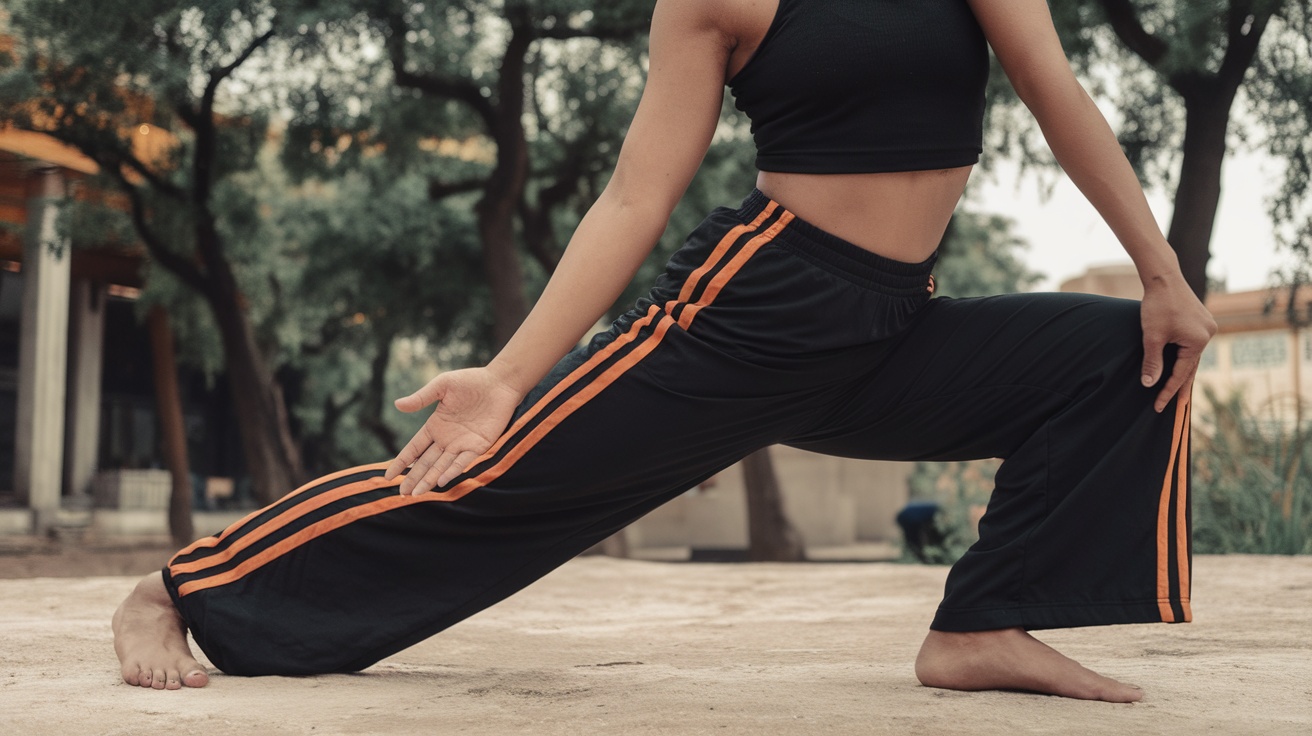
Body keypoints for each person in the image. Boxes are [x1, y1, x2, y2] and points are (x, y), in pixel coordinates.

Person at [113, 0, 1217, 701]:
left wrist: (1162, 275)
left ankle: (979, 626)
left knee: (1122, 352)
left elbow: (1056, 92)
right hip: (754, 310)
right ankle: (182, 587)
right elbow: (637, 193)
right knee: (497, 485)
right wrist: (508, 373)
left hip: (894, 321)